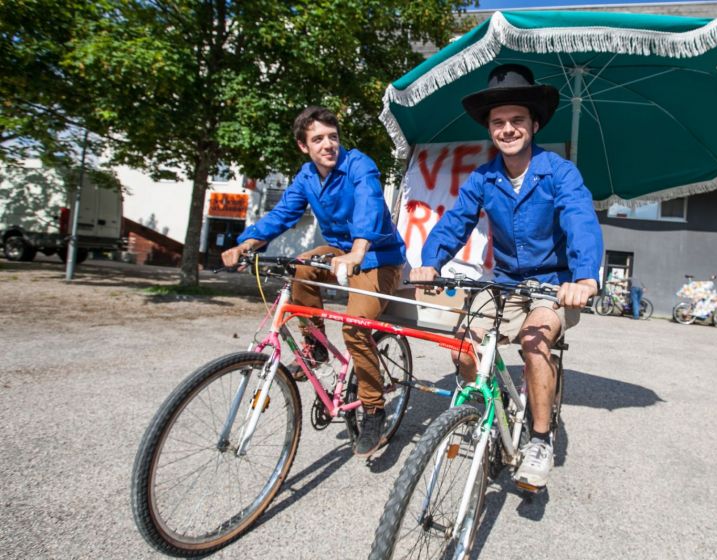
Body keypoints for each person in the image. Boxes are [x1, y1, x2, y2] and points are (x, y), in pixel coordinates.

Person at [410, 64, 603, 490]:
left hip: (553, 285)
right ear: (490, 130)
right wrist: (431, 261)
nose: (508, 129)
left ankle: (538, 438)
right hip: (504, 282)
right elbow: (454, 223)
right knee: (462, 349)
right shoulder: (483, 176)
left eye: (517, 120)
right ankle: (486, 411)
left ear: (534, 124)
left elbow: (580, 221)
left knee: (535, 343)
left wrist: (585, 278)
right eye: (499, 122)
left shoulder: (560, 172)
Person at [222, 106, 406, 458]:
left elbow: (369, 202)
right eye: (318, 139)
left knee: (355, 329)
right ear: (303, 146)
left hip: (379, 256)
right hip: (339, 251)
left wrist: (358, 250)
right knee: (302, 265)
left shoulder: (359, 165)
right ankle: (315, 344)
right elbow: (282, 214)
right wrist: (247, 243)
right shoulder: (307, 176)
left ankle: (374, 409)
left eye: (332, 137)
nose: (328, 144)